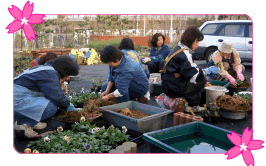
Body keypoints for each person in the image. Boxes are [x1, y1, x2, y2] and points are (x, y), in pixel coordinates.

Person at [14, 56, 79, 138]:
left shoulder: (46, 69)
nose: (67, 78)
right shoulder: (50, 74)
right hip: (16, 101)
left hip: (18, 97)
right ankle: (23, 125)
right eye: (68, 75)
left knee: (48, 102)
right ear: (64, 70)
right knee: (51, 106)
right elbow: (58, 97)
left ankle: (31, 122)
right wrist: (73, 109)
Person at [157, 26, 206, 112]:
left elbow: (187, 68)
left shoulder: (178, 48)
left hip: (166, 85)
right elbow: (194, 75)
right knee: (202, 79)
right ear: (190, 40)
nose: (197, 44)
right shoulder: (184, 53)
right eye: (196, 41)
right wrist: (205, 72)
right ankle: (192, 106)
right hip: (173, 89)